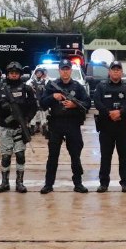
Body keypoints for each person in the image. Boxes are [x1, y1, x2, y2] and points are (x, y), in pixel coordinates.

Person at [39, 59, 91, 194]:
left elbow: (87, 103)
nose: (65, 71)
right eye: (63, 69)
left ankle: (78, 183)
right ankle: (48, 184)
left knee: (75, 155)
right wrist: (53, 97)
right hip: (56, 124)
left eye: (67, 69)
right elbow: (42, 103)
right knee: (53, 156)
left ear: (71, 70)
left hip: (73, 124)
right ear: (59, 70)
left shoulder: (78, 87)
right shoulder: (51, 86)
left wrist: (74, 105)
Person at [0, 62, 37, 193]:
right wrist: (2, 105)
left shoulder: (26, 89)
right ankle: (4, 182)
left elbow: (33, 106)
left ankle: (19, 182)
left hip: (19, 126)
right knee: (6, 156)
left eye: (16, 73)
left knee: (20, 155)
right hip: (4, 127)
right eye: (11, 73)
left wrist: (26, 119)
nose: (14, 75)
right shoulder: (0, 88)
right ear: (8, 74)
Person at [93, 61, 126, 192]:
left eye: (118, 69)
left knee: (124, 156)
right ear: (109, 71)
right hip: (106, 127)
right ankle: (104, 183)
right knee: (106, 156)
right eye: (113, 69)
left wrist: (120, 112)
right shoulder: (101, 86)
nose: (116, 71)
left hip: (123, 127)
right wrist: (108, 113)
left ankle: (125, 182)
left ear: (121, 72)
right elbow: (97, 101)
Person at [28, 67, 49, 135]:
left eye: (40, 73)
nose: (39, 74)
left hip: (42, 100)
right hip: (34, 100)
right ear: (35, 74)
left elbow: (47, 91)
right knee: (34, 114)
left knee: (43, 114)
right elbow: (28, 91)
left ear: (42, 74)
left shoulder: (45, 81)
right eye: (37, 73)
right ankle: (32, 128)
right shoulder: (31, 82)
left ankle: (44, 128)